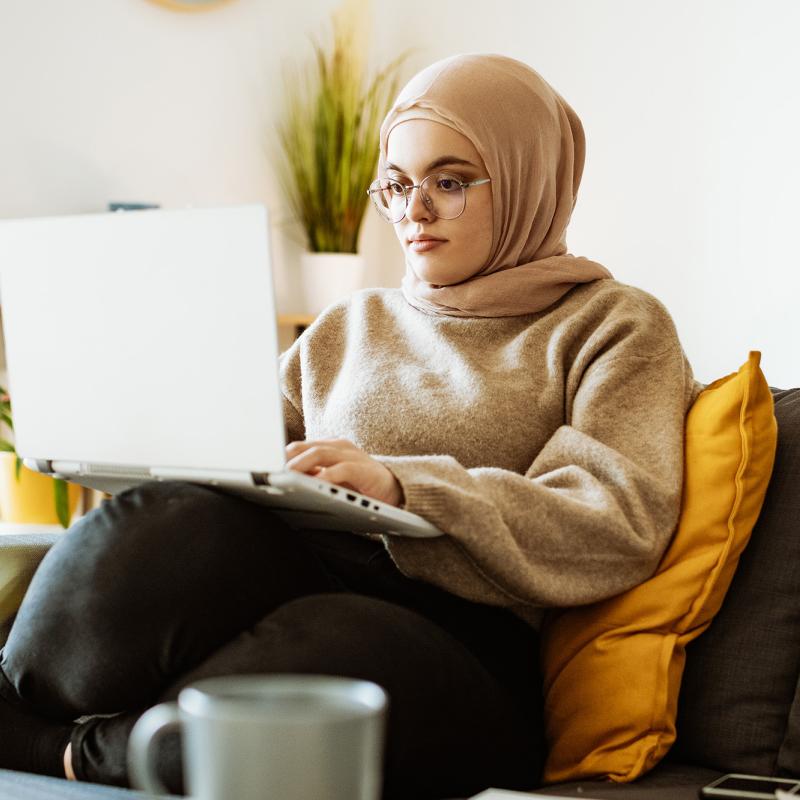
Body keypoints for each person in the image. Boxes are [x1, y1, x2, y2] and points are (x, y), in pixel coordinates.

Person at [0, 54, 698, 799]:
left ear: (531, 178)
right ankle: (42, 707)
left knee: (330, 645)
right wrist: (145, 441)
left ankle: (69, 750)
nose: (413, 211)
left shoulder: (613, 325)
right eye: (396, 185)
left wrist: (404, 485)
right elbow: (242, 454)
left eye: (450, 182)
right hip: (301, 575)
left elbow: (616, 520)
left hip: (463, 644)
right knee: (169, 522)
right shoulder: (350, 323)